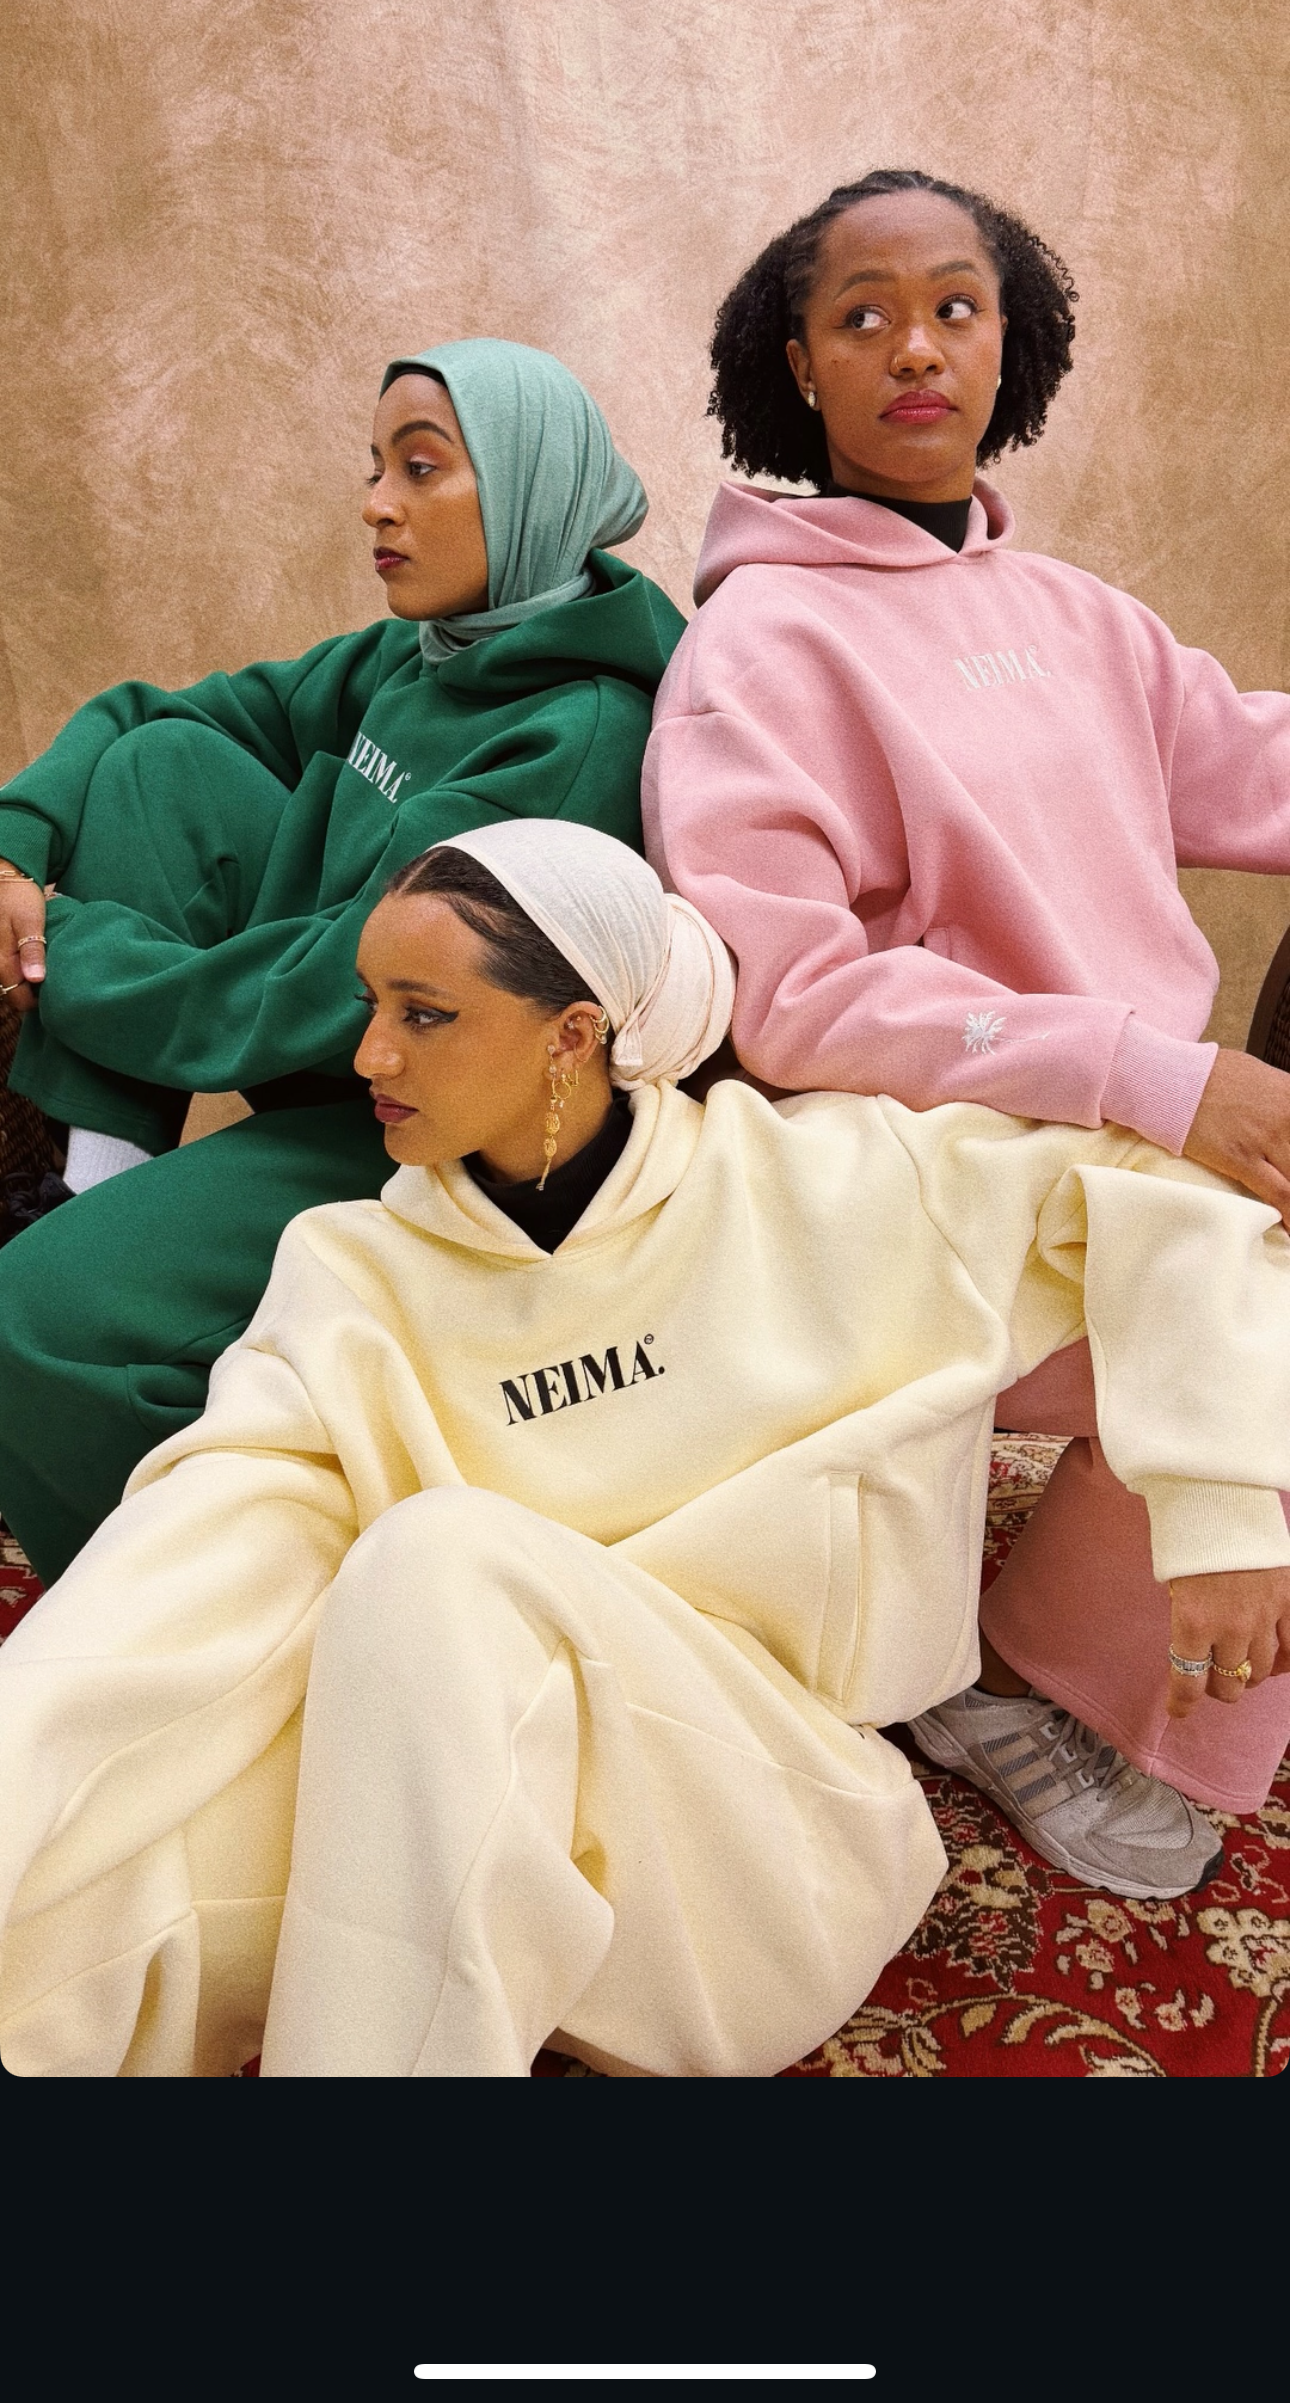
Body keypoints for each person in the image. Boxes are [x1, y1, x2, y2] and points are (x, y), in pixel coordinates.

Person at [0, 819, 1288, 2079]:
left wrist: (1222, 1507)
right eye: (368, 1002)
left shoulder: (836, 1182)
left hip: (764, 1845)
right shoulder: (352, 1272)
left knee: (438, 1560)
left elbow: (1178, 1207)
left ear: (576, 1034)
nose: (369, 1051)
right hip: (472, 1798)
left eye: (424, 1011)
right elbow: (196, 1544)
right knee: (108, 1876)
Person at [643, 167, 1290, 1870]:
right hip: (936, 1167)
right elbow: (787, 999)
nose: (915, 348)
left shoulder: (1075, 613)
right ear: (795, 363)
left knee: (1237, 1250)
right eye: (863, 317)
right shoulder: (761, 646)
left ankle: (1088, 1615)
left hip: (1143, 1132)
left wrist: (1174, 1093)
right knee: (1262, 1295)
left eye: (954, 305)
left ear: (1016, 343)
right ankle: (1036, 1681)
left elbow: (1248, 759)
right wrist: (1153, 1076)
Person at [0, 340, 683, 1583]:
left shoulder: (571, 736)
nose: (377, 502)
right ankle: (100, 1187)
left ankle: (223, 1610)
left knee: (30, 1317)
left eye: (422, 469)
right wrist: (15, 841)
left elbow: (325, 994)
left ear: (528, 493)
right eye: (376, 467)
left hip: (448, 1137)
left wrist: (67, 949)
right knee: (164, 768)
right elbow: (161, 716)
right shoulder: (431, 651)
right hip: (355, 1064)